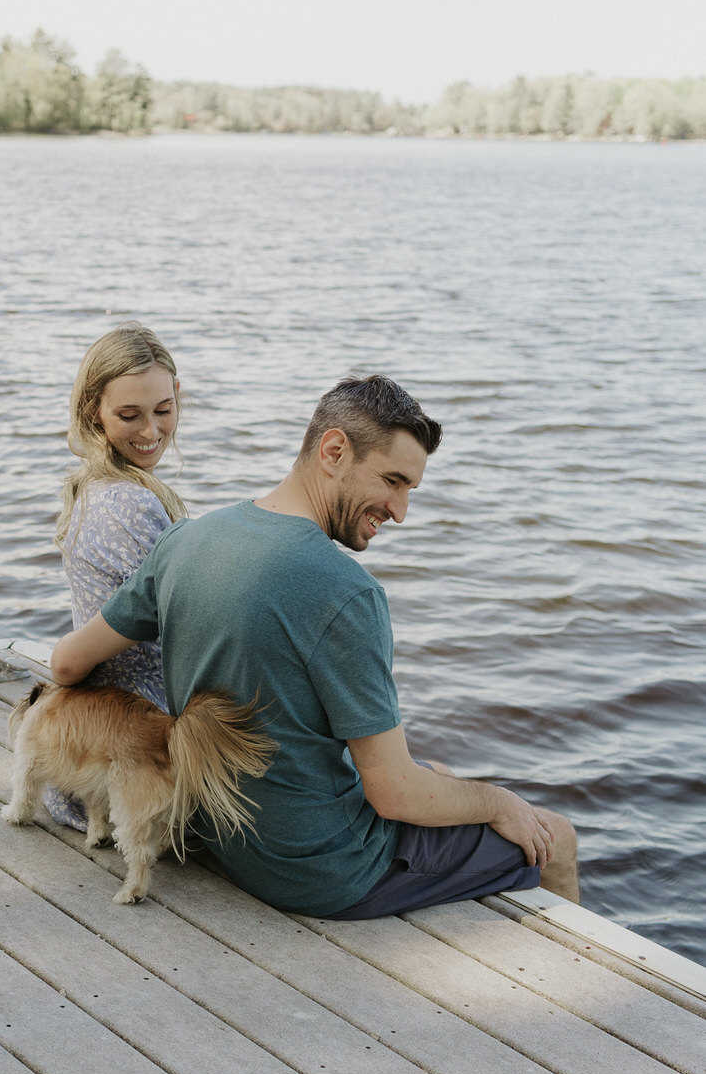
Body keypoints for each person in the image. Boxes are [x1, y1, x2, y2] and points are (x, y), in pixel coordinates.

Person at [50, 373, 579, 915]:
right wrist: (499, 802)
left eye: (409, 491)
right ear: (333, 451)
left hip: (226, 837)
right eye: (392, 481)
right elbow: (393, 792)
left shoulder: (188, 540)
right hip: (323, 870)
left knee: (438, 775)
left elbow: (67, 663)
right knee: (553, 835)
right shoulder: (346, 593)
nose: (399, 511)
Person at [43, 321, 188, 830]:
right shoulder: (127, 502)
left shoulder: (97, 486)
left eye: (163, 410)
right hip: (141, 762)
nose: (151, 432)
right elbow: (190, 619)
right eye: (129, 415)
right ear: (93, 414)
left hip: (99, 758)